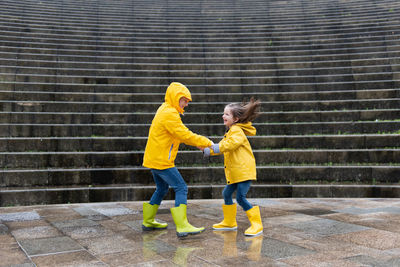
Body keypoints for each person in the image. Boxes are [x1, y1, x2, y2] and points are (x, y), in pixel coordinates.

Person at [142, 82, 213, 237]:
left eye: (188, 101)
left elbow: (175, 134)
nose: (186, 104)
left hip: (155, 159)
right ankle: (182, 226)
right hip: (162, 161)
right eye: (184, 100)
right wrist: (207, 143)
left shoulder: (165, 108)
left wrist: (199, 146)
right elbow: (184, 134)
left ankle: (148, 221)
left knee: (161, 189)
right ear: (176, 97)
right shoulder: (170, 114)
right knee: (181, 188)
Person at [203, 98, 263, 236]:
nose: (223, 116)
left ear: (235, 119)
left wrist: (212, 148)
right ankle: (230, 222)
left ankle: (257, 224)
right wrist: (207, 150)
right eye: (224, 114)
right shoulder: (231, 131)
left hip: (243, 171)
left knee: (241, 198)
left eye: (227, 114)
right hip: (237, 172)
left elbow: (229, 145)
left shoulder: (236, 131)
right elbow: (223, 146)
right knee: (227, 193)